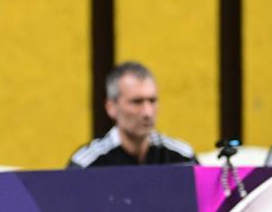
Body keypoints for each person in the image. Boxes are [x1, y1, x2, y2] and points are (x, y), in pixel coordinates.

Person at [66, 61, 197, 168]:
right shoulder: (88, 164)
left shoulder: (182, 158)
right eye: (136, 102)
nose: (147, 112)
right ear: (111, 107)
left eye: (152, 101)